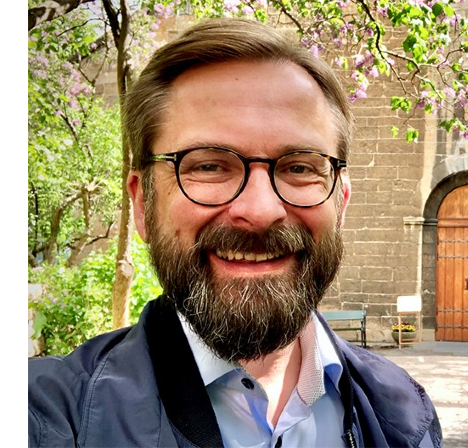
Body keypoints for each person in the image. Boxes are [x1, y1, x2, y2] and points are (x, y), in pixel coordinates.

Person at [28, 17, 442, 448]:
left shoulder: (406, 417)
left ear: (341, 204)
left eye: (300, 167)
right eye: (209, 165)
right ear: (142, 203)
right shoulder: (51, 418)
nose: (260, 211)